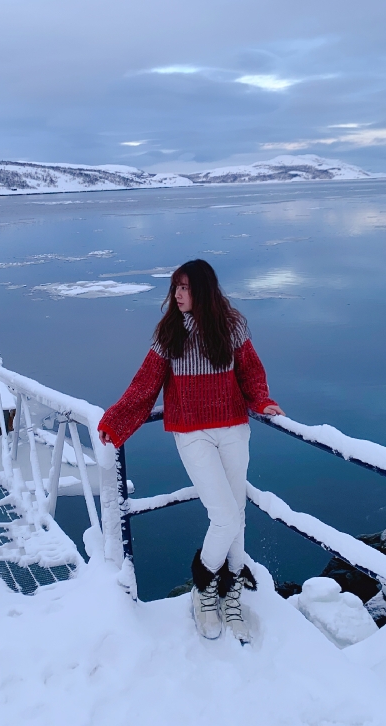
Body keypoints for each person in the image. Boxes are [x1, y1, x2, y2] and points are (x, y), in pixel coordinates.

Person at [98, 258, 283, 643]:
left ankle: (230, 595)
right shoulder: (169, 333)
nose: (178, 295)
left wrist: (262, 401)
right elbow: (145, 385)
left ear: (203, 289)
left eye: (185, 288)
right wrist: (116, 421)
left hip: (233, 427)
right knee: (225, 516)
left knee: (238, 513)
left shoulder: (231, 325)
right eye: (175, 288)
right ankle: (203, 590)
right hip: (192, 432)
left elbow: (250, 371)